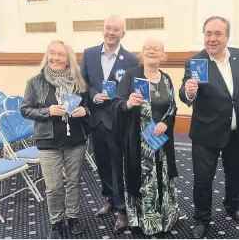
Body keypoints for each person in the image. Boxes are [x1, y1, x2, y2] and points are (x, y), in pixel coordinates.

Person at [179, 16, 239, 239]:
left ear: (227, 36)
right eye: (208, 34)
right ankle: (201, 218)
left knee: (235, 174)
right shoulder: (196, 62)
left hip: (237, 130)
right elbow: (185, 93)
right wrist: (189, 92)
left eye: (217, 34)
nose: (212, 39)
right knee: (203, 179)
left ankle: (233, 207)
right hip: (206, 133)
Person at [109, 38, 179, 237]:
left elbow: (173, 107)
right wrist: (129, 103)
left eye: (156, 48)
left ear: (162, 54)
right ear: (141, 53)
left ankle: (164, 219)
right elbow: (116, 104)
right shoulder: (131, 76)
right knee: (144, 181)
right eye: (148, 48)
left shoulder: (166, 79)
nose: (152, 51)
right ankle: (145, 222)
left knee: (162, 178)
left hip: (162, 142)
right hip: (139, 144)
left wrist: (166, 123)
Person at [21, 40, 90, 239]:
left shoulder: (78, 82)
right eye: (52, 53)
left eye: (60, 54)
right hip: (47, 141)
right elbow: (25, 110)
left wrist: (83, 110)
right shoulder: (35, 82)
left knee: (73, 182)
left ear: (68, 58)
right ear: (47, 55)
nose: (55, 58)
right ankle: (56, 221)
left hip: (75, 140)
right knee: (53, 186)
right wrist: (47, 111)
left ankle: (73, 216)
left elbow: (89, 108)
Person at [80, 15, 138, 232]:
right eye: (107, 28)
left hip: (118, 121)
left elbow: (133, 90)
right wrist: (94, 96)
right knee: (102, 164)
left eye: (116, 29)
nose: (111, 32)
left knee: (117, 165)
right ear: (103, 30)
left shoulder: (131, 60)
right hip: (96, 120)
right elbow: (83, 82)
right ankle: (110, 199)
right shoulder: (89, 54)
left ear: (123, 33)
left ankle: (122, 209)